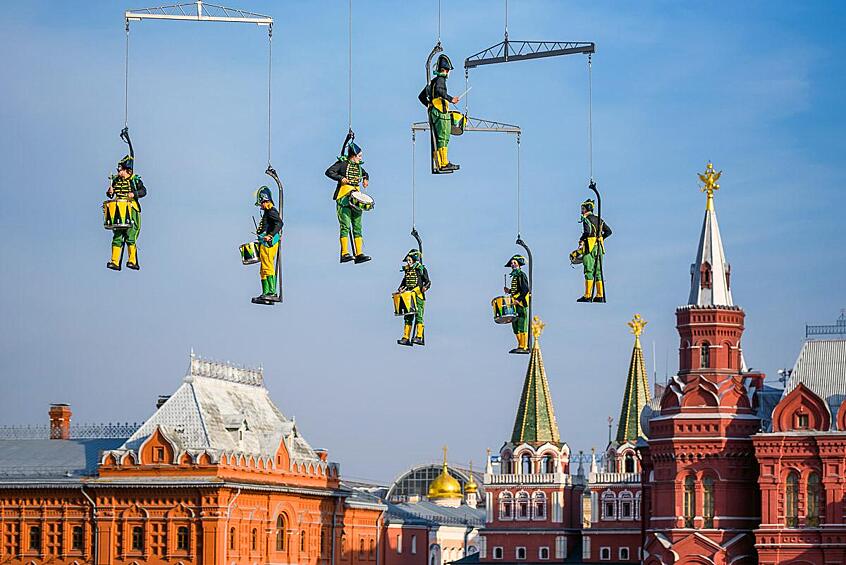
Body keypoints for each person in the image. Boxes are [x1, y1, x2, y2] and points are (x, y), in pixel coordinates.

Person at [325, 141, 372, 264]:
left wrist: (365, 179)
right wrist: (341, 178)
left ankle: (359, 253)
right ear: (353, 155)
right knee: (345, 225)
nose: (360, 158)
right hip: (344, 196)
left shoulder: (359, 167)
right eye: (359, 156)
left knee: (357, 226)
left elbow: (365, 174)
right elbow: (329, 171)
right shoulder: (343, 164)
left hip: (356, 198)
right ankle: (344, 252)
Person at [418, 54, 460, 173]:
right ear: (446, 70)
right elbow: (439, 91)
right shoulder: (441, 80)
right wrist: (451, 99)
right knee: (444, 137)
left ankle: (439, 161)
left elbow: (421, 96)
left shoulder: (433, 82)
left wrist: (430, 105)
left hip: (434, 112)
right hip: (441, 113)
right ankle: (443, 163)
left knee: (437, 138)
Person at [106, 155, 147, 271]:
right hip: (118, 213)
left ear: (127, 170)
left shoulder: (135, 180)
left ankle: (132, 260)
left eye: (121, 169)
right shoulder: (115, 181)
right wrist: (110, 192)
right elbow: (111, 194)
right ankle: (114, 261)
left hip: (131, 211)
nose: (119, 171)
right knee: (117, 237)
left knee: (130, 236)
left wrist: (134, 194)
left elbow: (144, 191)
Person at [576, 195, 612, 303]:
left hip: (589, 247)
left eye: (583, 208)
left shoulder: (586, 219)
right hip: (599, 247)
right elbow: (609, 231)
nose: (581, 211)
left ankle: (587, 295)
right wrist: (601, 238)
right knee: (599, 271)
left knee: (589, 270)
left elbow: (587, 232)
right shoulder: (599, 219)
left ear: (586, 209)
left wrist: (581, 239)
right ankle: (599, 295)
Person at [251, 186, 283, 304]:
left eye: (261, 203)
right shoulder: (267, 213)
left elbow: (279, 223)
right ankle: (265, 292)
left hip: (269, 244)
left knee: (268, 267)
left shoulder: (271, 211)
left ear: (265, 200)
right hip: (264, 245)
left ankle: (271, 292)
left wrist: (270, 235)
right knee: (263, 269)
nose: (260, 206)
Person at [397, 249, 430, 346]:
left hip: (418, 296)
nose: (408, 262)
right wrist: (400, 289)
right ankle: (406, 337)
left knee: (419, 316)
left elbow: (428, 281)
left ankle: (419, 336)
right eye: (407, 260)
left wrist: (425, 287)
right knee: (408, 316)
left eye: (409, 260)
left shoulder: (421, 269)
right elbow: (404, 282)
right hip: (408, 296)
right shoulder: (407, 270)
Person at [505, 254, 530, 354]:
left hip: (520, 304)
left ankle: (524, 345)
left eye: (514, 263)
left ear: (519, 265)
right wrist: (509, 291)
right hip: (514, 303)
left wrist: (519, 300)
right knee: (515, 324)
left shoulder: (521, 275)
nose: (512, 265)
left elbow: (525, 289)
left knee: (521, 323)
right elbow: (516, 290)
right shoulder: (515, 276)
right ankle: (519, 344)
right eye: (512, 263)